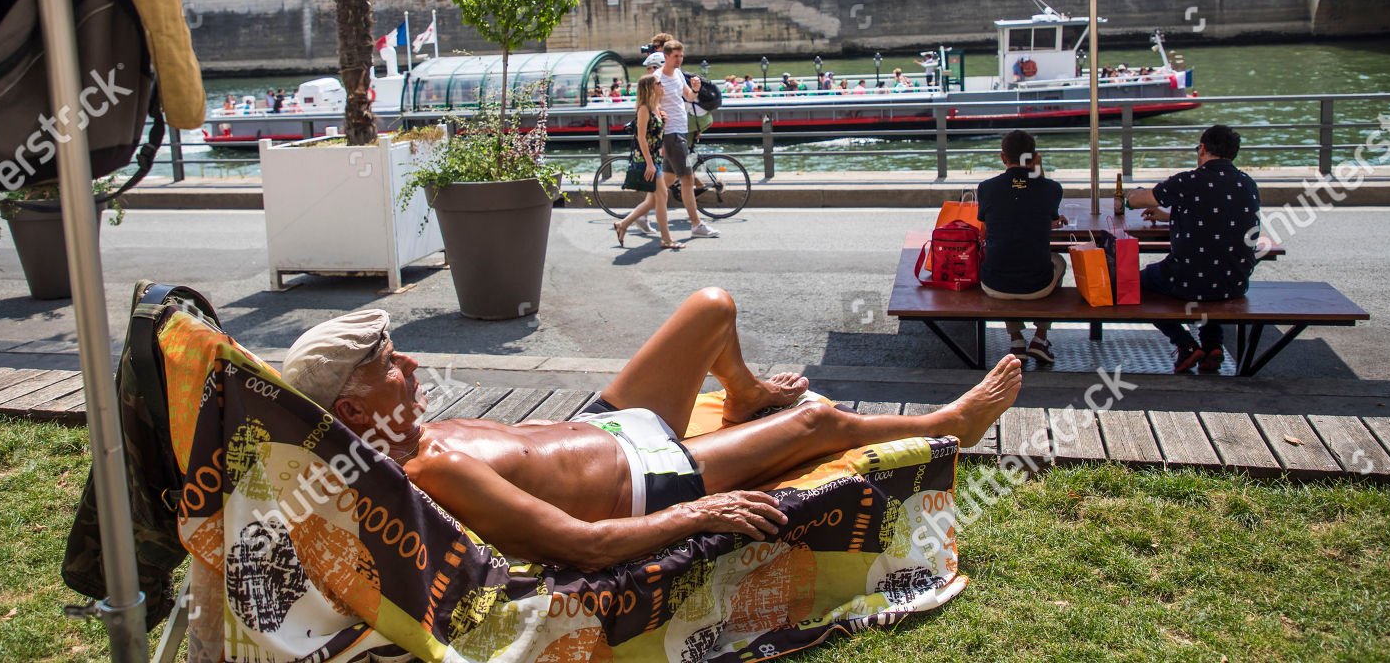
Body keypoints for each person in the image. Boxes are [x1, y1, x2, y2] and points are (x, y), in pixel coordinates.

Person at [281, 293, 1024, 570]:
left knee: (712, 307)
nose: (410, 360)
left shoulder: (409, 432)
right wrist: (697, 512)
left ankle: (744, 396)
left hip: (606, 427)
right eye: (387, 360)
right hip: (650, 477)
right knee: (817, 422)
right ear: (350, 412)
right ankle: (949, 423)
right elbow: (580, 545)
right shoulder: (430, 474)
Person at [1126, 124, 1262, 374]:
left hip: (1189, 281)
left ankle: (1184, 343)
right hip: (1235, 281)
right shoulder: (1248, 183)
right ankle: (1213, 345)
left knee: (1132, 285)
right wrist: (1168, 216)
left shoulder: (1188, 181)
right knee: (1211, 268)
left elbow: (1136, 201)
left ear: (1202, 148)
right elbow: (1215, 216)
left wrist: (1132, 193)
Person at [976, 130, 1069, 364]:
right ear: (1034, 157)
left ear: (1002, 157)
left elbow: (984, 232)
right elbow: (1049, 215)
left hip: (993, 283)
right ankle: (1040, 338)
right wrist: (1037, 167)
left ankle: (1016, 340)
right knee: (1059, 261)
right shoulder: (1051, 189)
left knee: (1006, 256)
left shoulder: (986, 188)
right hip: (1037, 285)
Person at [657, 41, 718, 238]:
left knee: (666, 180)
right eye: (676, 56)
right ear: (666, 56)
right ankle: (696, 224)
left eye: (681, 56)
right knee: (687, 179)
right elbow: (654, 109)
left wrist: (696, 89)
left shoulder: (677, 73)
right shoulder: (657, 78)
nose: (679, 59)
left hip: (680, 131)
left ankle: (635, 218)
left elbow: (689, 98)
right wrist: (660, 143)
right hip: (672, 134)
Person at [614, 75, 682, 250]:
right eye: (658, 83)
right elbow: (641, 138)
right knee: (662, 196)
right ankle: (666, 239)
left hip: (656, 159)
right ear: (650, 88)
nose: (662, 85)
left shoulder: (657, 108)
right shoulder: (644, 109)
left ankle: (623, 224)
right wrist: (650, 164)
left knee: (653, 200)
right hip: (647, 160)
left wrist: (663, 122)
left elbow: (656, 136)